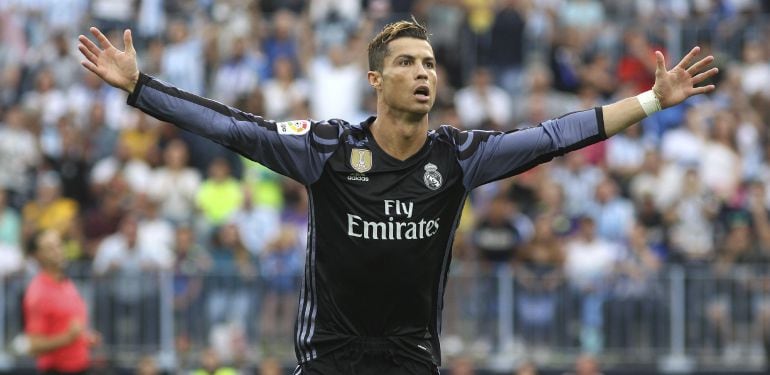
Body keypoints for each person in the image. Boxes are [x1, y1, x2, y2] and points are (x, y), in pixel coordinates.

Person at [77, 16, 717, 374]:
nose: (424, 74)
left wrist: (653, 100)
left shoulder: (460, 156)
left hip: (412, 359)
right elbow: (230, 126)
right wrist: (142, 88)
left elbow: (555, 135)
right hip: (330, 359)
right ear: (376, 79)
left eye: (431, 64)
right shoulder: (324, 148)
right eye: (409, 63)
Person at [23, 229, 100, 375]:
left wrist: (84, 338)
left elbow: (68, 327)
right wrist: (68, 338)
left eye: (59, 245)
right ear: (37, 256)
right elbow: (33, 346)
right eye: (50, 248)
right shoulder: (38, 292)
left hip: (81, 367)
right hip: (57, 370)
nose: (58, 251)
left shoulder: (66, 283)